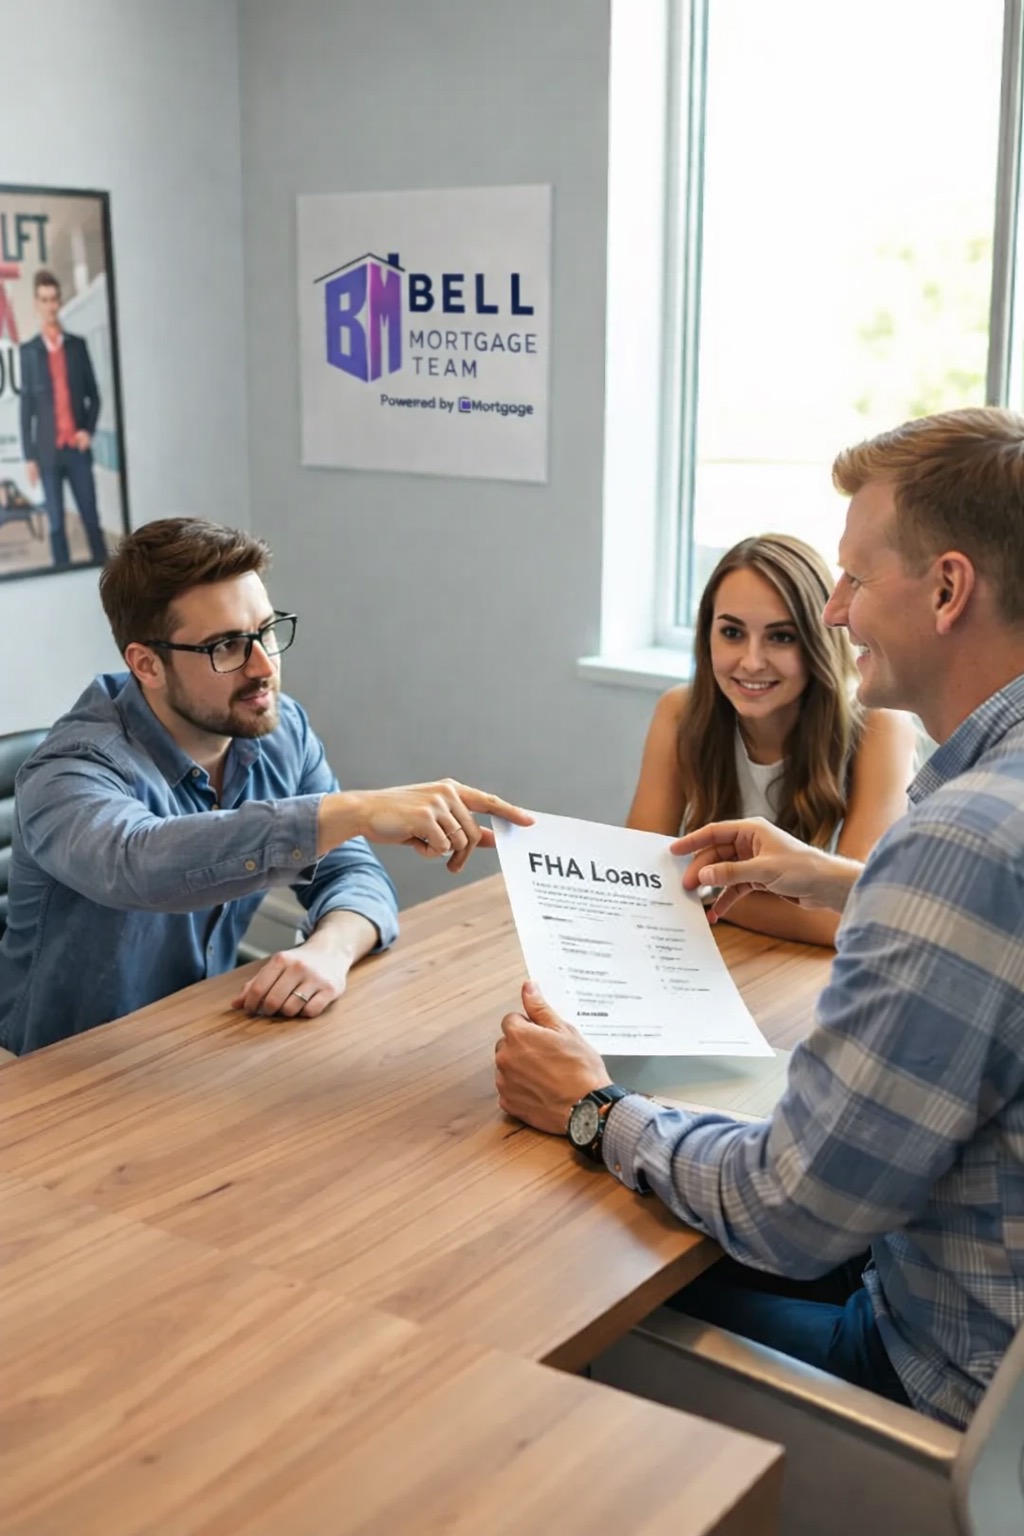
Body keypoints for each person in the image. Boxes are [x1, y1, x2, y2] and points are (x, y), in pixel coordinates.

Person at [495, 407, 1024, 1429]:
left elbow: (787, 1213)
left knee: (568, 1275)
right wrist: (839, 881)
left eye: (857, 581)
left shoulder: (959, 839)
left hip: (938, 1389)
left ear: (949, 588)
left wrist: (590, 1106)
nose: (837, 611)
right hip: (973, 1305)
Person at [0, 518, 531, 1057]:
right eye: (227, 646)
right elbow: (139, 862)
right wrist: (351, 811)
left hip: (199, 1047)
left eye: (267, 630)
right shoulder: (70, 769)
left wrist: (331, 948)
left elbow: (353, 874)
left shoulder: (280, 730)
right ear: (147, 664)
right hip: (54, 1078)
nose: (264, 666)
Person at [627, 534, 916, 945]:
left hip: (819, 980)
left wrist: (697, 889)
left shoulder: (880, 726)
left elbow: (851, 918)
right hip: (725, 957)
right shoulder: (680, 710)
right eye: (731, 632)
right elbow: (635, 875)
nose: (751, 661)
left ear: (820, 640)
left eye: (781, 637)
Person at [19, 267, 107, 568]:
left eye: (54, 299)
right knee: (56, 525)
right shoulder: (29, 352)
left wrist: (88, 431)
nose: (50, 305)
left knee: (91, 518)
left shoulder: (76, 346)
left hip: (77, 450)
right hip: (47, 454)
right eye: (44, 300)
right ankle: (63, 574)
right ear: (36, 303)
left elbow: (94, 396)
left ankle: (107, 582)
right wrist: (30, 457)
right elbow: (26, 408)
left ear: (58, 302)